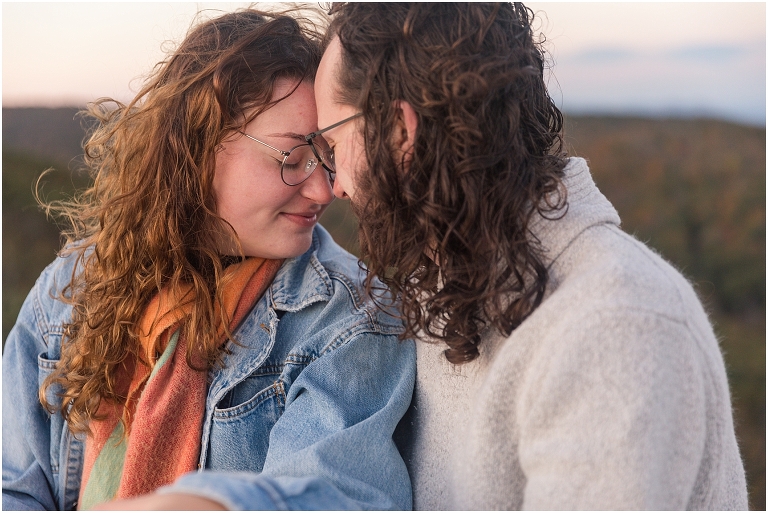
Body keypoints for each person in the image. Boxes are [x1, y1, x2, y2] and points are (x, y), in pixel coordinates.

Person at [312, 2, 749, 509]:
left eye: (330, 145)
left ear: (399, 131)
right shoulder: (441, 293)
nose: (334, 186)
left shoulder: (613, 324)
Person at [2, 8, 415, 511]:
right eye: (291, 160)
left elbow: (335, 493)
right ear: (197, 147)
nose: (323, 188)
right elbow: (13, 488)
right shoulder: (67, 291)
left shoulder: (349, 317)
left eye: (325, 155)